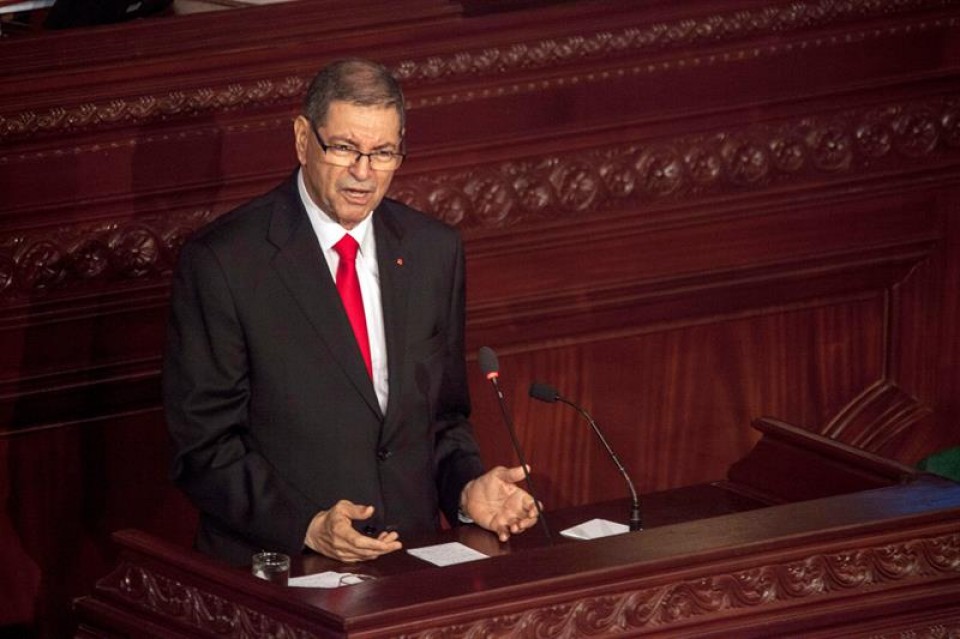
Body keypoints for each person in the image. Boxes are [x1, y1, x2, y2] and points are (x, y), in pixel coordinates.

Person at [163, 58, 540, 566]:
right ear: (302, 139)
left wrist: (467, 492)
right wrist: (307, 526)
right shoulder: (225, 262)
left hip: (410, 563)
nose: (363, 173)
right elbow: (204, 448)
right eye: (344, 148)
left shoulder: (434, 250)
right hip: (282, 569)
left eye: (382, 153)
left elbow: (444, 418)